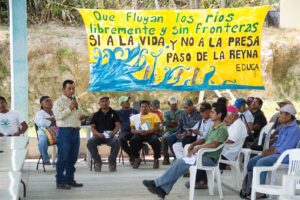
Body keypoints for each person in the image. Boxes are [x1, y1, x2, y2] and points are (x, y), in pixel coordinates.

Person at [142, 103, 228, 199]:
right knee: (178, 162)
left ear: (219, 115)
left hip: (210, 159)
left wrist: (198, 148)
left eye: (213, 112)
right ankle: (163, 190)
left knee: (180, 162)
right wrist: (193, 144)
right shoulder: (213, 127)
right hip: (202, 156)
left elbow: (215, 144)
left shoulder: (222, 129)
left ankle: (157, 184)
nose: (210, 113)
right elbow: (204, 139)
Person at [247, 104, 300, 199]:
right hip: (276, 154)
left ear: (288, 116)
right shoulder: (284, 127)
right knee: (252, 162)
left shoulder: (295, 130)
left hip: (284, 157)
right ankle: (250, 186)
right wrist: (267, 151)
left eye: (281, 114)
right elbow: (277, 144)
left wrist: (267, 153)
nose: (279, 116)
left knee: (262, 162)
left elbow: (284, 149)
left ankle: (260, 191)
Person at [53, 80, 84, 189]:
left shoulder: (76, 101)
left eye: (73, 88)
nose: (72, 91)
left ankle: (70, 179)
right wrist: (70, 108)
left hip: (76, 131)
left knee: (72, 158)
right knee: (63, 157)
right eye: (69, 88)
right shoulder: (58, 102)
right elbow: (58, 116)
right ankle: (60, 181)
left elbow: (77, 114)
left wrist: (81, 117)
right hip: (65, 132)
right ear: (63, 89)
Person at [87, 96, 121, 172]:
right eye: (102, 101)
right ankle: (98, 161)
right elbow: (92, 127)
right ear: (99, 103)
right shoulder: (96, 114)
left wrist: (114, 132)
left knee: (117, 141)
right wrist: (97, 133)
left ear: (109, 102)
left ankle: (112, 162)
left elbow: (118, 125)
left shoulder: (114, 113)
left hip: (110, 136)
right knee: (90, 142)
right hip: (99, 136)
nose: (104, 103)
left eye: (106, 101)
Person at [130, 100, 161, 169]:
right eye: (142, 106)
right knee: (132, 141)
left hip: (150, 133)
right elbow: (132, 130)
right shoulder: (135, 117)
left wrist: (148, 132)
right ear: (140, 108)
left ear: (149, 107)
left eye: (146, 106)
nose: (144, 108)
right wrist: (139, 132)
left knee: (155, 141)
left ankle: (156, 159)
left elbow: (157, 127)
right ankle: (137, 158)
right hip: (139, 134)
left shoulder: (154, 115)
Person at [220, 105, 248, 170]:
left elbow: (231, 140)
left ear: (233, 115)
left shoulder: (238, 125)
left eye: (226, 116)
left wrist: (217, 142)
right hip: (224, 151)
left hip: (228, 153)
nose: (225, 118)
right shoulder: (233, 124)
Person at [34, 96, 56, 164]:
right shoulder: (39, 113)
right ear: (41, 104)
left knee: (66, 141)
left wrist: (48, 119)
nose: (49, 102)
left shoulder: (55, 112)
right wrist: (53, 120)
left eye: (50, 101)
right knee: (42, 142)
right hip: (45, 133)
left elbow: (61, 120)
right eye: (47, 101)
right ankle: (46, 159)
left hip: (57, 132)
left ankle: (63, 160)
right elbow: (41, 122)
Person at [161, 95, 183, 165]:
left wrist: (173, 122)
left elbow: (182, 122)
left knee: (171, 138)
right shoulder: (166, 113)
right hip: (169, 131)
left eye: (175, 104)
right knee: (164, 138)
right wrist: (176, 122)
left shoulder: (182, 111)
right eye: (172, 104)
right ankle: (166, 158)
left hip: (180, 130)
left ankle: (176, 156)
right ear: (169, 104)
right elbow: (166, 123)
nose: (174, 105)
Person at [117, 96, 139, 165]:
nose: (128, 102)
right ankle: (132, 155)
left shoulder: (134, 111)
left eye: (128, 101)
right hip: (124, 131)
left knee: (135, 140)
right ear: (121, 104)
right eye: (126, 101)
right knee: (121, 139)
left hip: (135, 131)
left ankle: (134, 157)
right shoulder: (117, 113)